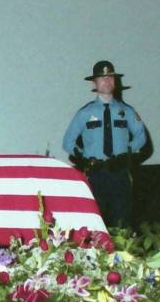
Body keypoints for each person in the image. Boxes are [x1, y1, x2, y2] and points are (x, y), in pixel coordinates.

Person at [62, 60, 149, 227]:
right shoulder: (85, 113)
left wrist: (128, 151)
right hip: (96, 174)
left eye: (110, 77)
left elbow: (141, 136)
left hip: (120, 173)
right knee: (95, 223)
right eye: (102, 78)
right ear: (94, 83)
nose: (107, 81)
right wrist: (84, 158)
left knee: (123, 222)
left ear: (115, 81)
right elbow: (68, 142)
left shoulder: (127, 111)